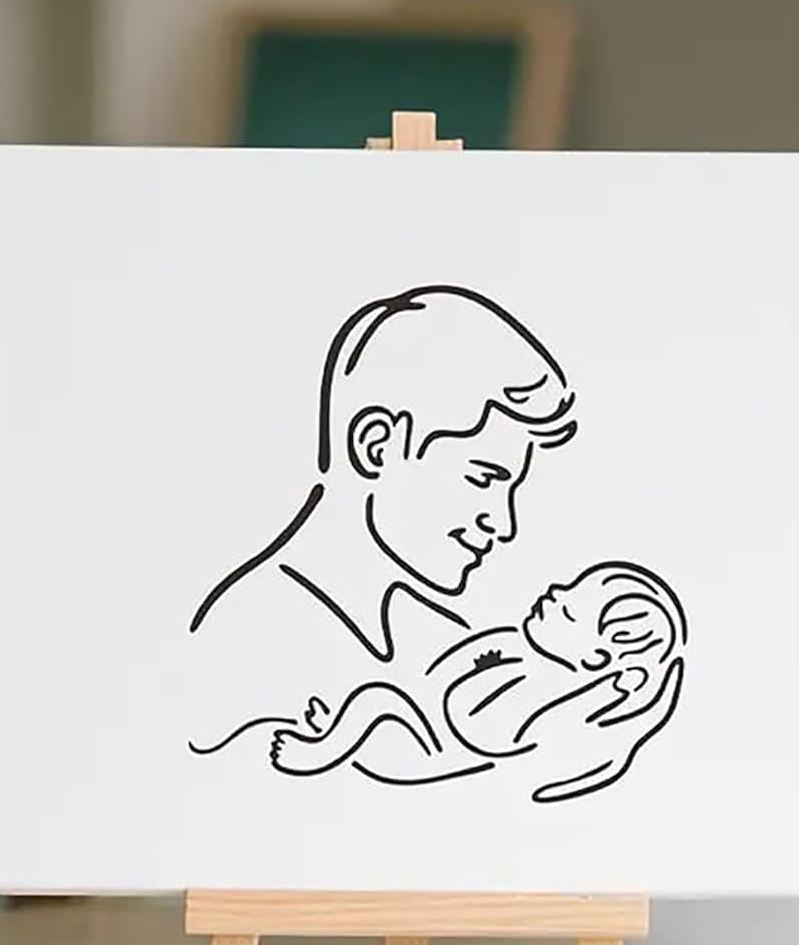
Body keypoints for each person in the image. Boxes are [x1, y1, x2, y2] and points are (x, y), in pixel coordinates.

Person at [188, 286, 576, 753]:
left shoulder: (446, 640)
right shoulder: (243, 646)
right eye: (482, 479)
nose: (503, 523)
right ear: (376, 448)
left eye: (511, 488)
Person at [266, 562, 688, 804]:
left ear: (595, 658)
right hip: (423, 729)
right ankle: (345, 732)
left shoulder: (544, 695)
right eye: (568, 589)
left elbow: (473, 723)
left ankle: (318, 752)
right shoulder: (528, 655)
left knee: (378, 700)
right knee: (378, 699)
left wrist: (489, 666)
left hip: (424, 752)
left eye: (570, 611)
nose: (555, 592)